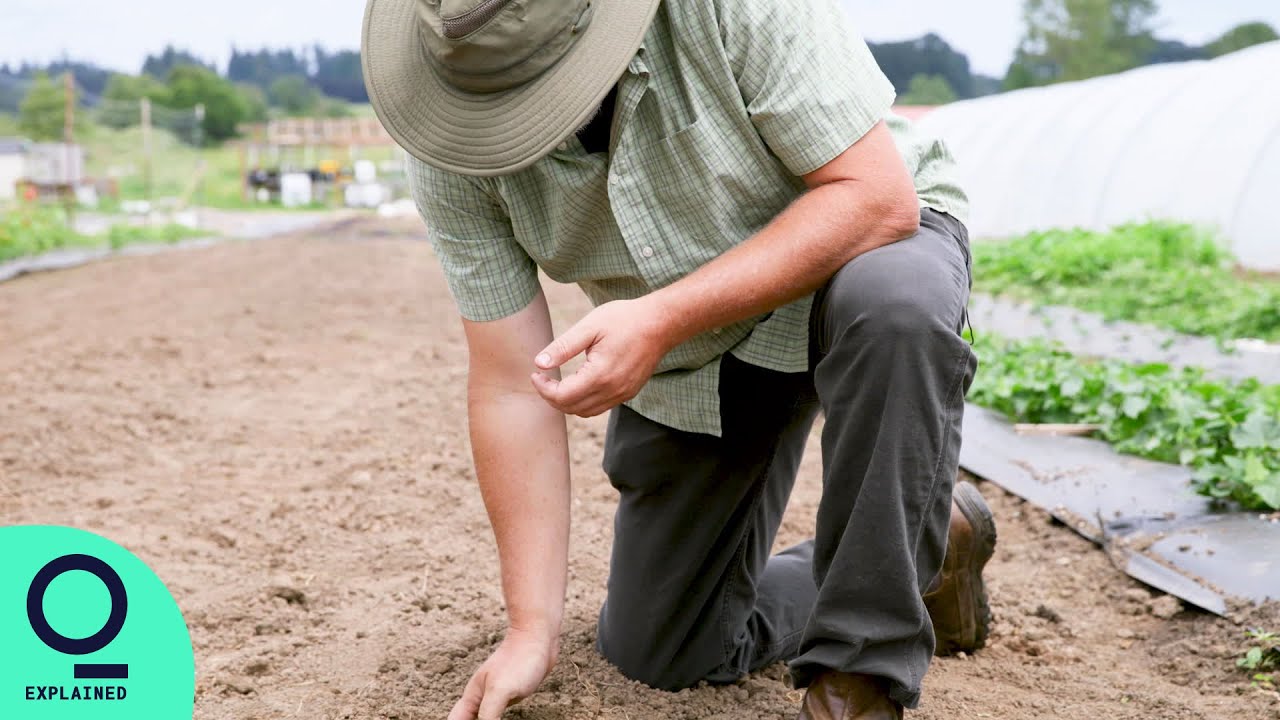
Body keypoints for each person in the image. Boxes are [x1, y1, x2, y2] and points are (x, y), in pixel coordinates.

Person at [361, 0, 997, 718]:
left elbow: (875, 200)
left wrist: (662, 319)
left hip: (856, 243)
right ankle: (928, 540)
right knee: (663, 652)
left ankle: (858, 676)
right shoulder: (453, 143)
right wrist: (528, 629)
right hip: (698, 347)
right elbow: (512, 383)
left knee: (897, 306)